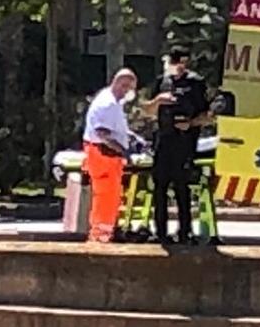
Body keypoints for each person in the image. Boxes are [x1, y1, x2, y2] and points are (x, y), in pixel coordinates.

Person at [149, 48, 213, 244]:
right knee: (159, 187)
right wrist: (158, 101)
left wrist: (190, 123)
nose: (178, 65)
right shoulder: (162, 82)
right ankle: (160, 232)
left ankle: (185, 231)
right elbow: (148, 110)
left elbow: (207, 116)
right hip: (163, 140)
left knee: (181, 187)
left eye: (182, 61)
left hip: (184, 142)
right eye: (174, 61)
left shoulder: (195, 83)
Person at [82, 69, 138, 243]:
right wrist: (124, 150)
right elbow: (102, 133)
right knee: (106, 196)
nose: (128, 92)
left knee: (109, 196)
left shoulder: (113, 101)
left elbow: (114, 127)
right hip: (103, 155)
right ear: (119, 84)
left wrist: (131, 136)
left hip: (105, 155)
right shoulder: (108, 104)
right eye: (127, 87)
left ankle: (104, 232)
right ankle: (100, 235)